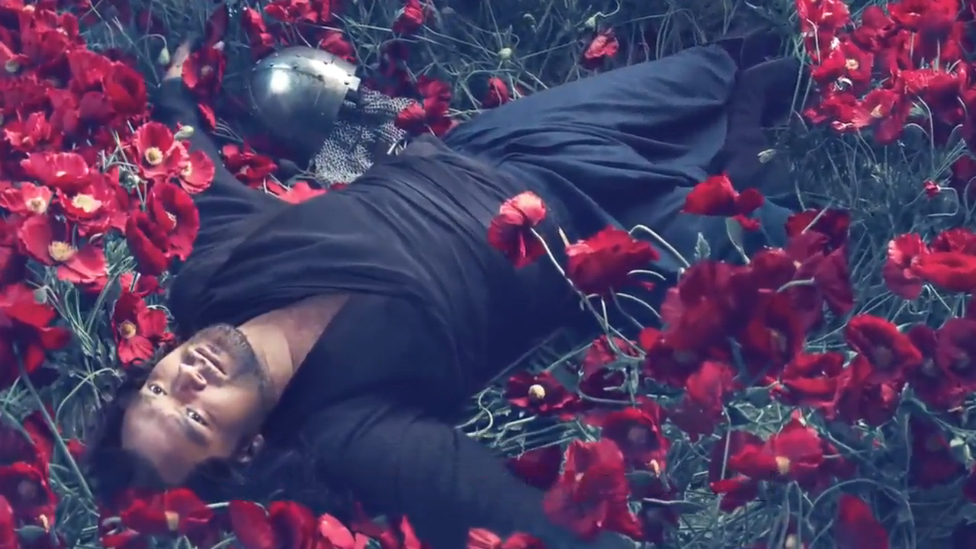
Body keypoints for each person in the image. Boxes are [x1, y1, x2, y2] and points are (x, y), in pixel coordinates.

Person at [82, 35, 802, 549]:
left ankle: (360, 129)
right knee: (782, 237)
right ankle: (737, 161)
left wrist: (172, 94)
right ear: (246, 452)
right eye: (194, 419)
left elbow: (199, 179)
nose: (187, 379)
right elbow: (500, 508)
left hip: (500, 146)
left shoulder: (212, 279)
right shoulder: (345, 429)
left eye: (157, 389)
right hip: (598, 238)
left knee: (727, 65)